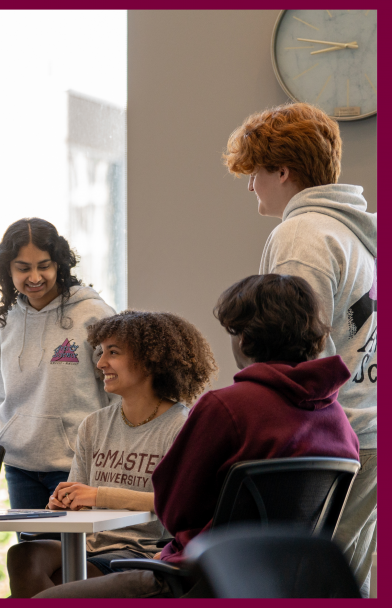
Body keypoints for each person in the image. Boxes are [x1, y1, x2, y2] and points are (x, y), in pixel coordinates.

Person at [35, 275, 360, 598]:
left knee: (44, 601)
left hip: (197, 578)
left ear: (244, 337)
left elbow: (175, 512)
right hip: (280, 583)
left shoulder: (227, 407)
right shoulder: (337, 421)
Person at [223, 103, 376, 595]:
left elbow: (291, 348)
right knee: (349, 580)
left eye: (255, 173)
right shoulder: (355, 233)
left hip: (332, 436)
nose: (251, 187)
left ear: (283, 171)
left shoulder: (301, 234)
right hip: (366, 430)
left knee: (303, 587)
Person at [7, 311, 216, 597]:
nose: (100, 363)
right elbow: (78, 499)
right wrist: (64, 502)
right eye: (101, 352)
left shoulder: (181, 426)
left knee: (67, 582)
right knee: (24, 555)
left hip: (143, 553)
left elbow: (180, 505)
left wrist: (97, 495)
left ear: (150, 359)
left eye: (113, 353)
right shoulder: (94, 424)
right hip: (89, 546)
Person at [0, 218, 116, 509]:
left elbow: (117, 391)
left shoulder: (94, 314)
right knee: (30, 552)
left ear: (59, 264)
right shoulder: (5, 322)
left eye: (43, 265)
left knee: (72, 553)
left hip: (76, 464)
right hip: (19, 464)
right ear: (8, 270)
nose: (34, 276)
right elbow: (1, 396)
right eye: (23, 267)